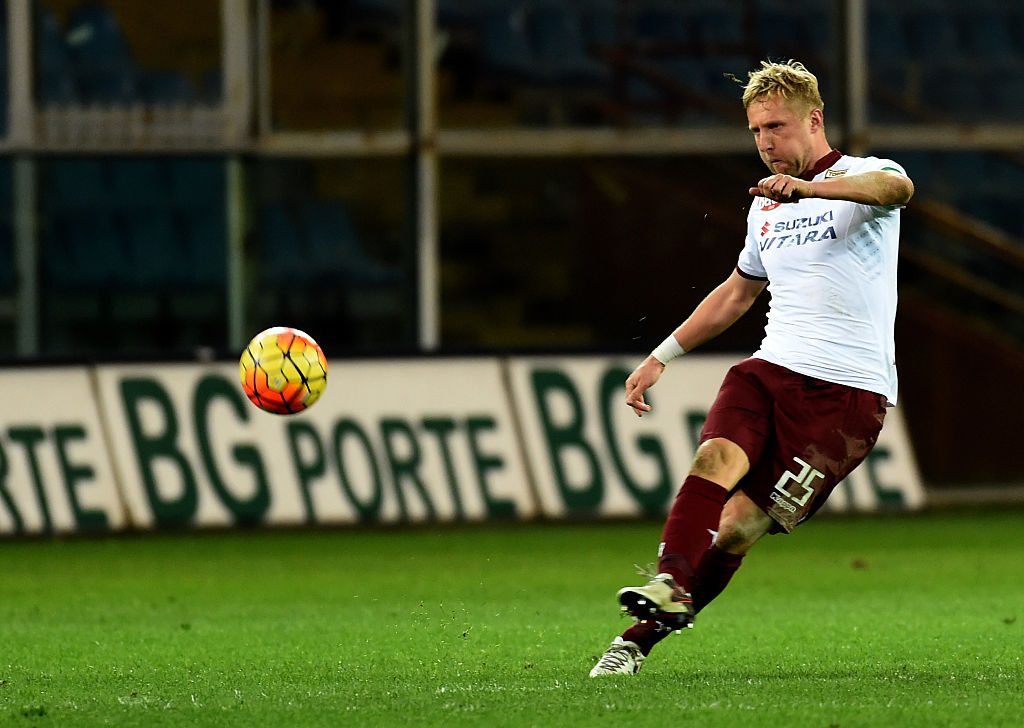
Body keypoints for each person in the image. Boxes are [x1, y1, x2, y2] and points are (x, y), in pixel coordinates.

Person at [589, 59, 915, 677]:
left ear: (814, 119)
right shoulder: (764, 208)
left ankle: (642, 637)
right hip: (769, 370)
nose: (766, 142)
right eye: (756, 131)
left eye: (776, 126)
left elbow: (897, 192)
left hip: (846, 397)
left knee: (738, 528)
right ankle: (666, 586)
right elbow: (737, 293)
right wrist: (661, 356)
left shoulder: (865, 175)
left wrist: (808, 191)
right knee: (713, 459)